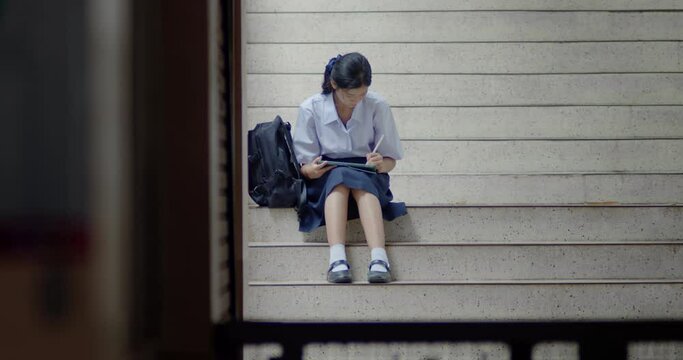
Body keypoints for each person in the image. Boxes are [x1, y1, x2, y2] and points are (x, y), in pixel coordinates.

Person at [293, 52, 407, 284]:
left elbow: (390, 161)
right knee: (339, 179)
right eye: (350, 94)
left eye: (362, 94)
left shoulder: (377, 106)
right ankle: (337, 258)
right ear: (334, 84)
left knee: (357, 180)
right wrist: (309, 171)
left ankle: (379, 258)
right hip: (326, 174)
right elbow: (304, 166)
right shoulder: (310, 108)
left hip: (368, 173)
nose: (356, 100)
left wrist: (380, 164)